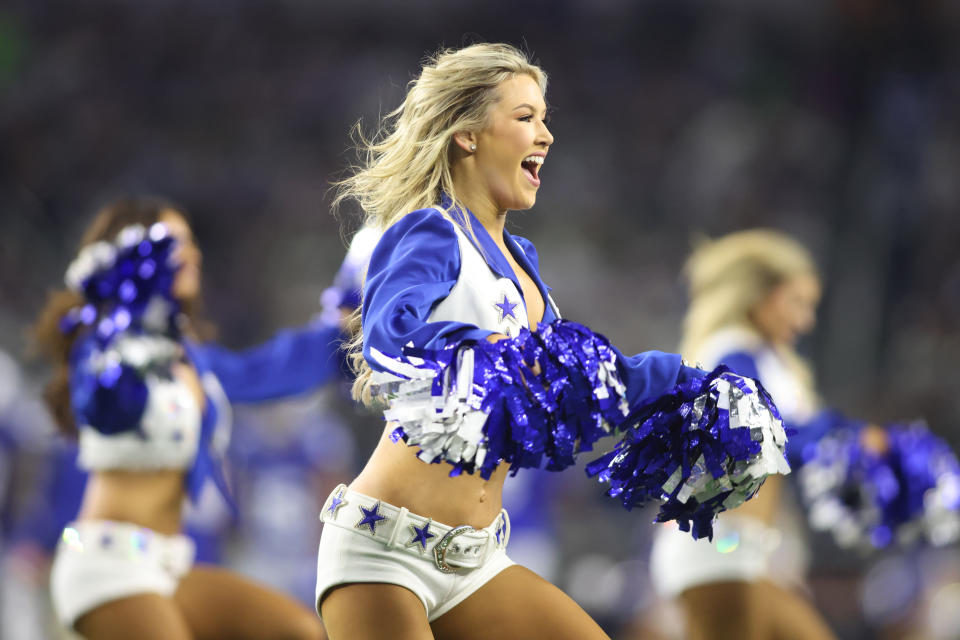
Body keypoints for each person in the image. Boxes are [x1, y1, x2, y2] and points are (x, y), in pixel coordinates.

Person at [315, 43, 789, 640]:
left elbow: (578, 378)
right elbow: (390, 341)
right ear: (467, 135)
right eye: (525, 117)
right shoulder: (430, 231)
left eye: (545, 119)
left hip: (478, 560)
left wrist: (681, 384)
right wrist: (478, 349)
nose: (546, 135)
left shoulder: (523, 260)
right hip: (385, 553)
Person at [33, 196, 339, 640]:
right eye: (173, 242)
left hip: (167, 562)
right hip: (103, 562)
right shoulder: (101, 347)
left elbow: (268, 371)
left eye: (191, 241)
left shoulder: (190, 359)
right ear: (127, 257)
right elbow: (106, 402)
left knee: (298, 630)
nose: (191, 253)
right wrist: (121, 321)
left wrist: (345, 331)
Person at [649, 230, 839, 640]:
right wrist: (848, 442)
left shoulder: (772, 360)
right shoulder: (731, 352)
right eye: (796, 303)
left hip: (747, 551)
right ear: (758, 296)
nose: (805, 320)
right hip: (716, 548)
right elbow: (766, 433)